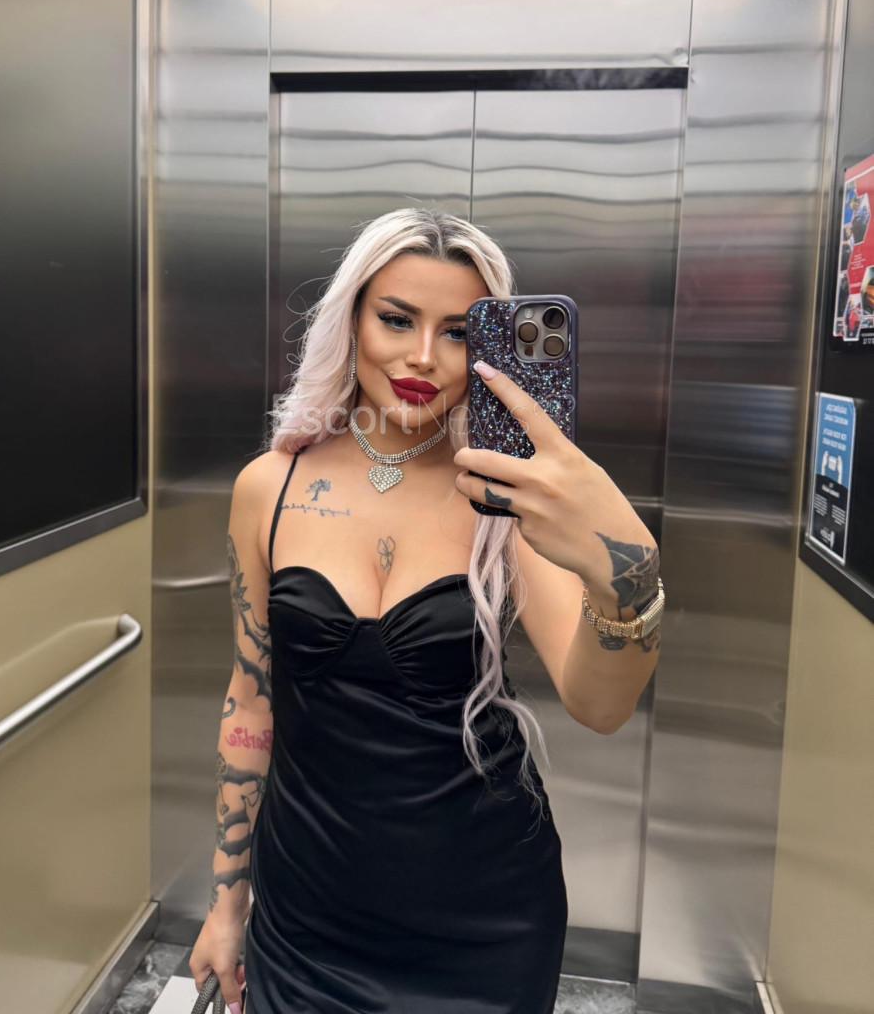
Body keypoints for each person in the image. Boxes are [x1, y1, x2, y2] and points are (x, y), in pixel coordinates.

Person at [189, 208, 663, 1014]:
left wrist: (628, 571)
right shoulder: (270, 487)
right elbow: (251, 701)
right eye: (397, 318)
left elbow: (599, 704)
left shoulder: (505, 495)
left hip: (484, 913)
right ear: (350, 320)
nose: (422, 357)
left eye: (458, 333)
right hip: (308, 910)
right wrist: (227, 905)